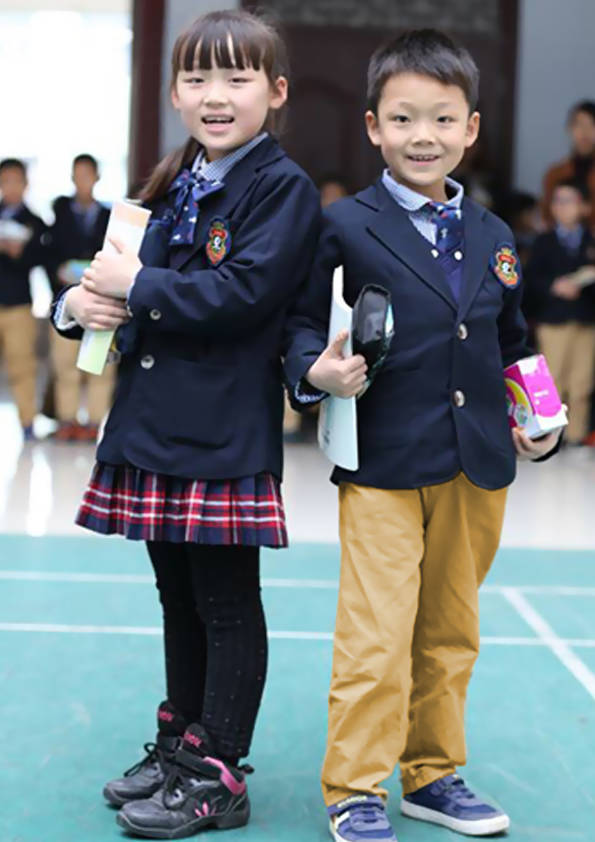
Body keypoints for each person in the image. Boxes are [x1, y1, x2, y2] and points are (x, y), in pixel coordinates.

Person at [284, 29, 562, 842]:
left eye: (441, 120)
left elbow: (509, 343)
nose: (422, 137)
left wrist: (536, 419)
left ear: (469, 129)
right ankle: (354, 788)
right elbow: (298, 328)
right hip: (382, 461)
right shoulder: (342, 225)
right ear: (372, 126)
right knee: (375, 634)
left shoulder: (494, 235)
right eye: (403, 119)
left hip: (475, 462)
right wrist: (314, 372)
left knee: (449, 632)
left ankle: (432, 774)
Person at [50, 9, 320, 838]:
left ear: (275, 91)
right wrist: (75, 306)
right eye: (197, 78)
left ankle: (218, 773)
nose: (215, 95)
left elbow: (244, 295)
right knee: (178, 599)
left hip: (222, 434)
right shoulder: (170, 182)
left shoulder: (282, 188)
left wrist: (134, 289)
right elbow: (113, 289)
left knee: (226, 602)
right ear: (174, 92)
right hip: (153, 423)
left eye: (237, 77)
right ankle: (181, 746)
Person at [524, 180, 595, 447]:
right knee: (551, 381)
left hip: (585, 318)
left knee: (582, 381)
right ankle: (549, 438)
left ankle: (576, 436)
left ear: (584, 207)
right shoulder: (543, 241)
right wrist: (554, 286)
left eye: (568, 201)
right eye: (557, 201)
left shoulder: (590, 241)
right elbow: (530, 279)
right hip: (553, 319)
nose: (561, 207)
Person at [48, 153, 112, 441]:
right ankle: (67, 420)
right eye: (78, 175)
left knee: (100, 365)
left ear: (97, 177)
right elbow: (47, 253)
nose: (82, 180)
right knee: (65, 364)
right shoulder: (60, 214)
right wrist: (59, 271)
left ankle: (94, 422)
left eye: (88, 174)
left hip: (101, 299)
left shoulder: (109, 216)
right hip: (66, 298)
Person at [0, 158, 47, 440]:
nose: (11, 186)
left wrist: (19, 253)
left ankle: (28, 423)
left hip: (18, 303)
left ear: (26, 184)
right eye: (5, 180)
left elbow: (41, 259)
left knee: (22, 365)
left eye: (16, 180)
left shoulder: (35, 222)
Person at [542, 100, 595, 230]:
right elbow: (547, 217)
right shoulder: (555, 173)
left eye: (592, 125)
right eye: (579, 124)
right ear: (569, 128)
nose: (585, 131)